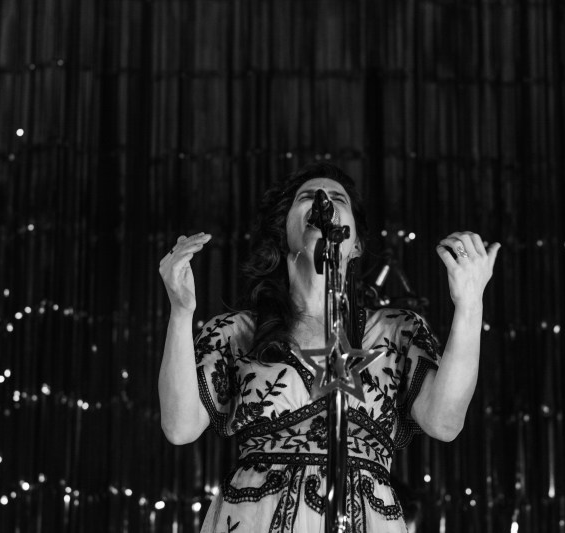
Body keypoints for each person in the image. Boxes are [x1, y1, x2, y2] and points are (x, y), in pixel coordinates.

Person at [158, 163, 500, 532]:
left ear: (357, 244)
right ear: (283, 233)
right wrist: (181, 311)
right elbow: (179, 427)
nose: (323, 201)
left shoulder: (396, 331)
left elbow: (444, 422)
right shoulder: (236, 332)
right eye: (306, 197)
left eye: (338, 198)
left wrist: (470, 304)